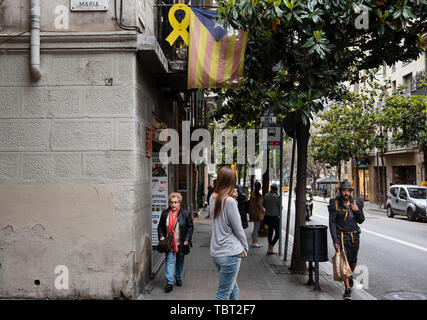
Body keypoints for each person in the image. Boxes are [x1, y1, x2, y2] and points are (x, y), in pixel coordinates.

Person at [210, 166, 248, 300]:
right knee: (223, 294)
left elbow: (223, 219)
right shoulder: (229, 201)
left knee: (233, 290)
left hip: (216, 252)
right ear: (232, 181)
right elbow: (238, 228)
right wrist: (245, 247)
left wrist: (234, 200)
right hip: (230, 253)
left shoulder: (213, 198)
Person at [328, 180, 365, 300]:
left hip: (354, 236)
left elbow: (361, 220)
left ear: (350, 192)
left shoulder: (357, 202)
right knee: (344, 261)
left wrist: (357, 211)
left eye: (348, 191)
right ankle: (347, 289)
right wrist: (335, 240)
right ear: (340, 191)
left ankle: (349, 275)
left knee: (353, 260)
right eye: (344, 190)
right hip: (341, 236)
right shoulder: (334, 203)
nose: (346, 193)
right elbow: (332, 222)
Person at [158, 192, 194, 293]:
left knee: (180, 261)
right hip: (169, 243)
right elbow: (160, 226)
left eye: (176, 202)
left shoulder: (185, 213)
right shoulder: (165, 213)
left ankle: (178, 277)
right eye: (172, 202)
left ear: (179, 203)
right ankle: (169, 282)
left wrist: (187, 239)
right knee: (169, 261)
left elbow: (190, 227)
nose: (173, 204)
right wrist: (161, 236)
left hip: (181, 242)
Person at [263, 184, 281, 254]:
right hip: (275, 217)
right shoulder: (277, 197)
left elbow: (263, 205)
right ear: (276, 189)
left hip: (267, 217)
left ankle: (269, 248)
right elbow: (280, 207)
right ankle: (271, 246)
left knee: (270, 232)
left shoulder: (266, 195)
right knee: (278, 233)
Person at [249, 182, 265, 248]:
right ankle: (254, 242)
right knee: (256, 228)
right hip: (257, 213)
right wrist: (263, 209)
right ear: (259, 187)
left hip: (254, 213)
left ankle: (255, 241)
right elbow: (259, 205)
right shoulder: (257, 195)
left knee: (256, 227)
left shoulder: (253, 194)